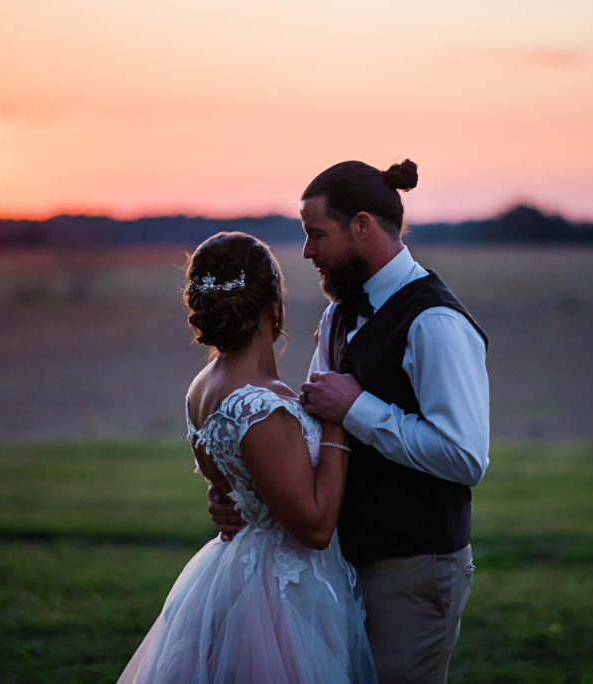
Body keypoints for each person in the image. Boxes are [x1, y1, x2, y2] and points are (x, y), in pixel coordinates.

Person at [210, 160, 490, 683]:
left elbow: (466, 456)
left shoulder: (437, 323)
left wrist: (358, 409)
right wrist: (251, 496)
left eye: (317, 234)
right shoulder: (336, 316)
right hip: (341, 563)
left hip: (414, 566)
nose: (307, 251)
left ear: (361, 225)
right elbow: (315, 432)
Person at [120, 231, 377, 683]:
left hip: (235, 576)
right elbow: (315, 528)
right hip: (281, 597)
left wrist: (223, 498)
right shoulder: (260, 405)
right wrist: (337, 422)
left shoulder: (203, 387)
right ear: (273, 306)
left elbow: (233, 479)